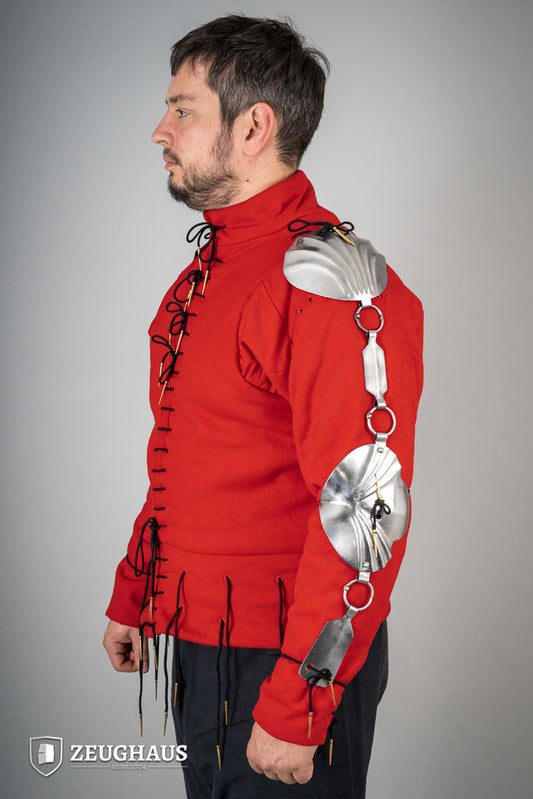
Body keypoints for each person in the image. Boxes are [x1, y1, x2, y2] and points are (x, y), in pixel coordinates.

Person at [103, 14, 423, 798]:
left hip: (287, 657)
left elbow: (366, 511)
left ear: (253, 126)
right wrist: (139, 589)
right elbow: (188, 453)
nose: (160, 131)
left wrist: (299, 699)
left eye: (182, 109)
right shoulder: (207, 275)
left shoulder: (332, 284)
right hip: (197, 640)